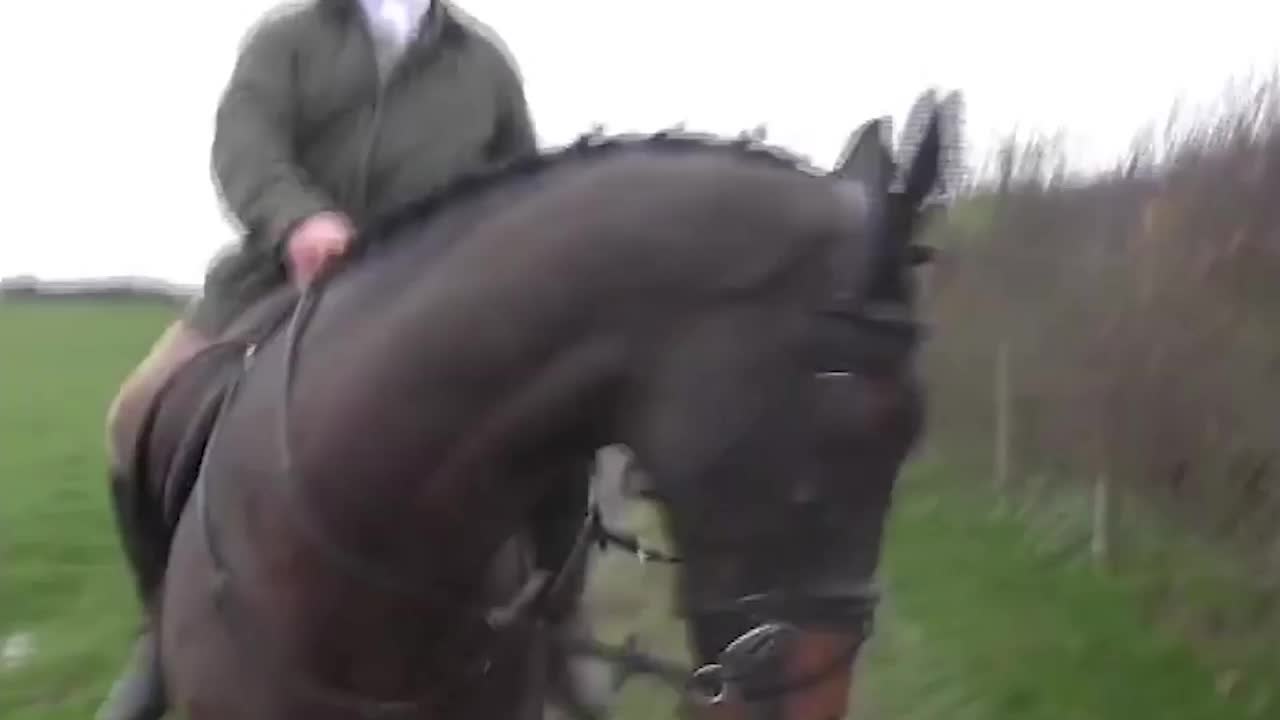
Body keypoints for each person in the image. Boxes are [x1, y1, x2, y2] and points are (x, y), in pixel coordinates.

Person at [97, 2, 603, 718]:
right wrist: (297, 219)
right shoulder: (288, 40)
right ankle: (162, 631)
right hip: (278, 285)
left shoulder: (483, 62)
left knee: (560, 422)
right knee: (133, 418)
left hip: (432, 299)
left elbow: (520, 180)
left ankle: (552, 630)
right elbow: (247, 145)